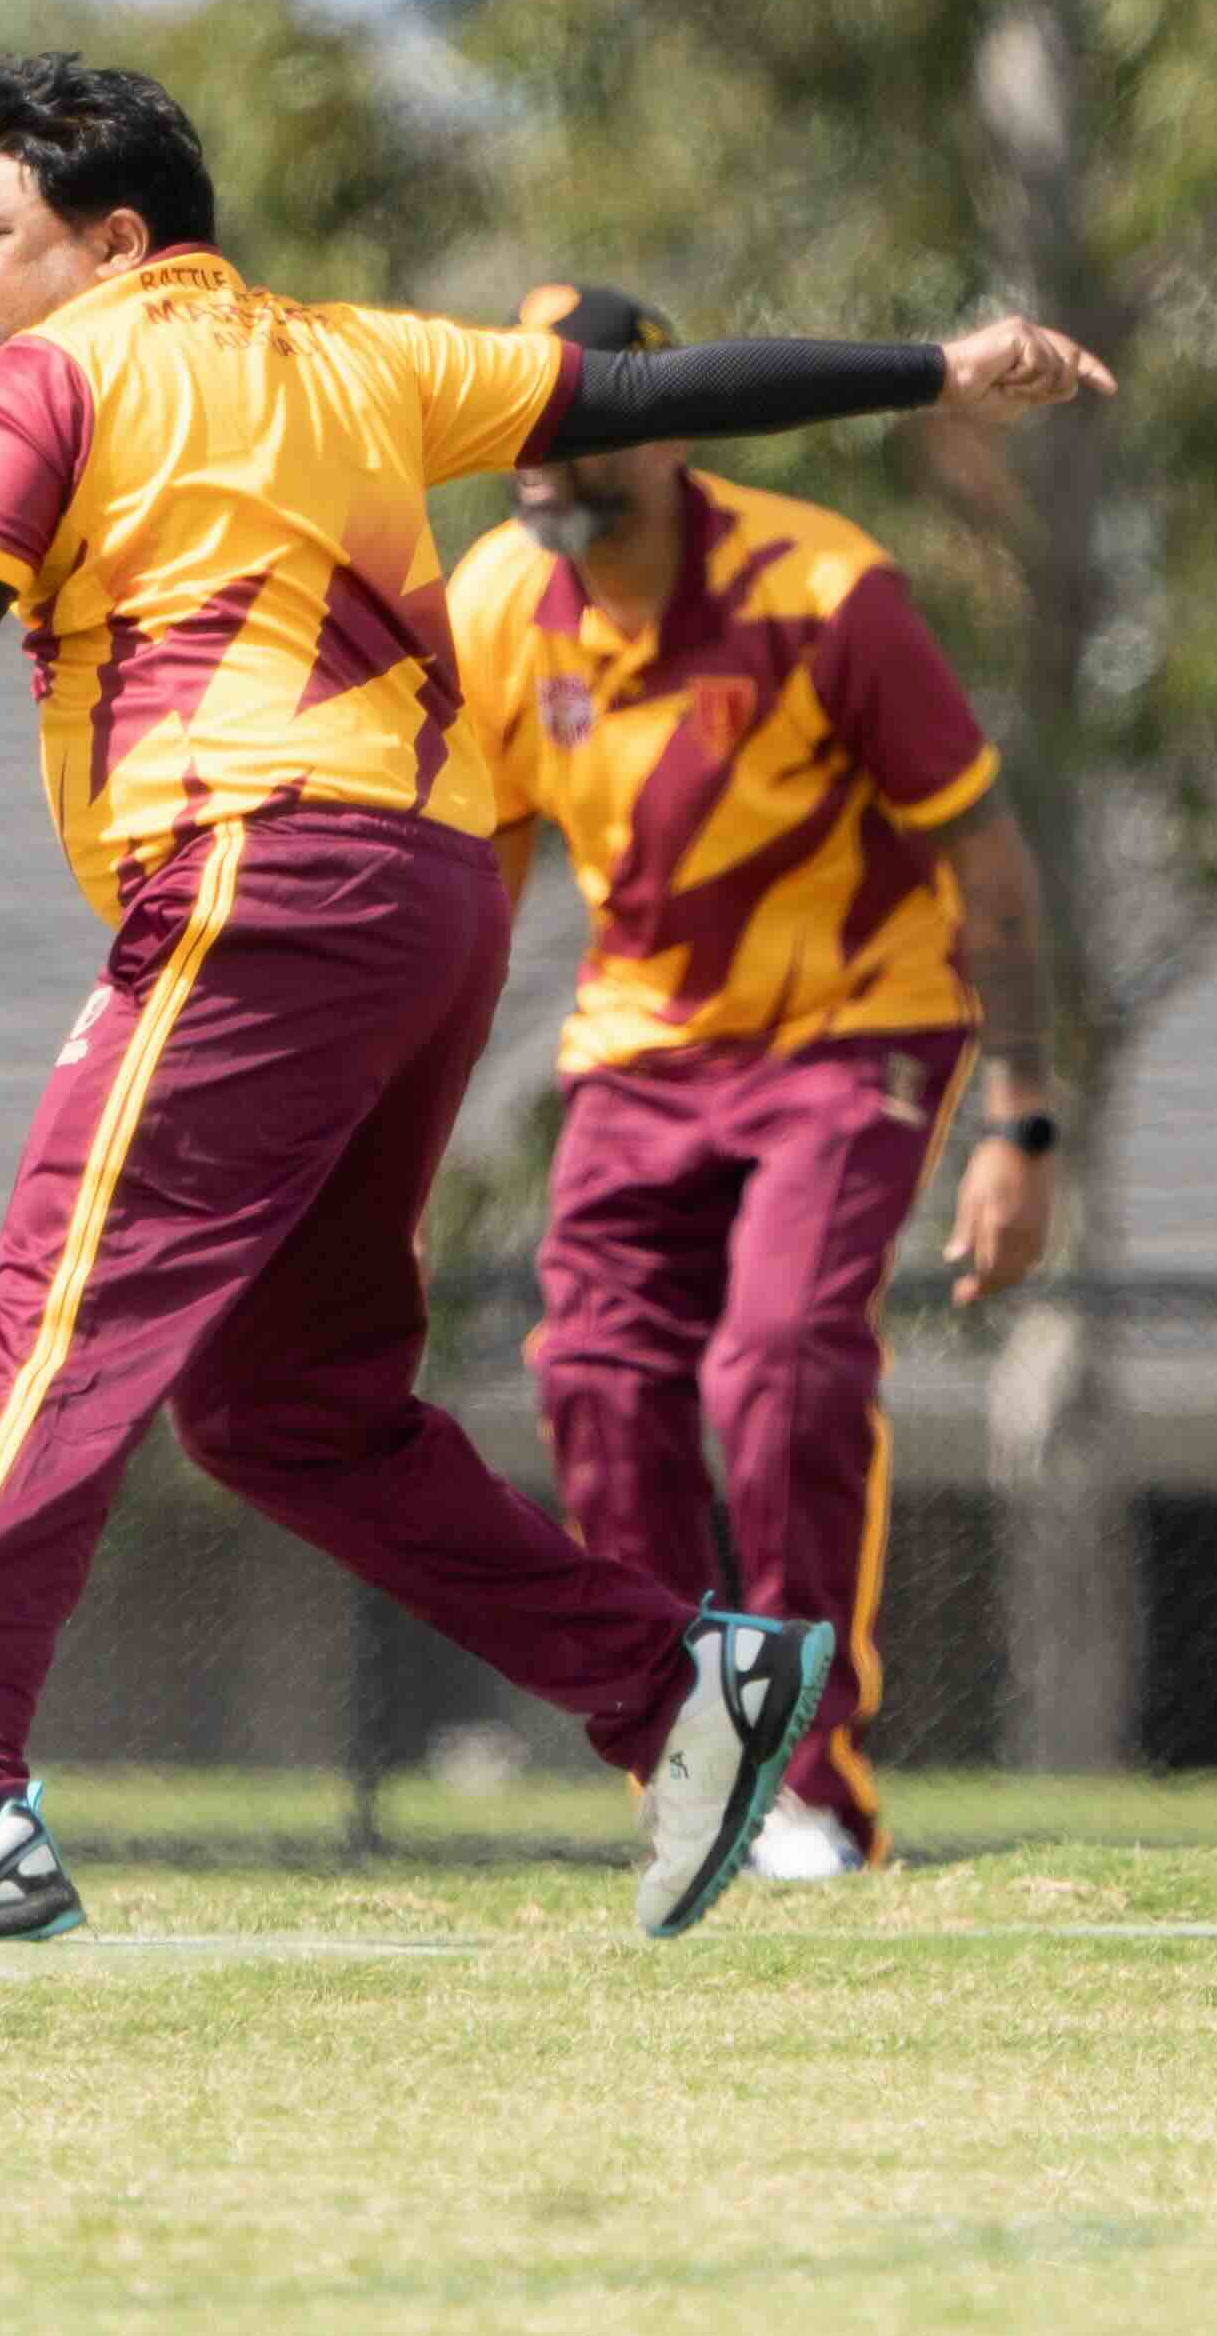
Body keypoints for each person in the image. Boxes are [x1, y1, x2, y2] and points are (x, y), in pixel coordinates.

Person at [0, 55, 1114, 1945]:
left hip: (258, 873)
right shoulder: (359, 356)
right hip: (421, 901)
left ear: (114, 242)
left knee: (61, 1300)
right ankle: (675, 1690)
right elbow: (657, 395)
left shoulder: (52, 376)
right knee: (282, 1404)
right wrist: (937, 364)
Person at [445, 285, 1062, 1877]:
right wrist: (403, 1128)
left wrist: (1023, 1122)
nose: (550, 453)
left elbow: (987, 857)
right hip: (641, 1050)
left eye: (590, 418)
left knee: (777, 1367)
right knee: (595, 1375)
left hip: (859, 1031)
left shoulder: (827, 589)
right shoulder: (501, 604)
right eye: (530, 425)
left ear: (672, 425)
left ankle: (803, 1781)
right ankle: (683, 1769)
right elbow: (481, 884)